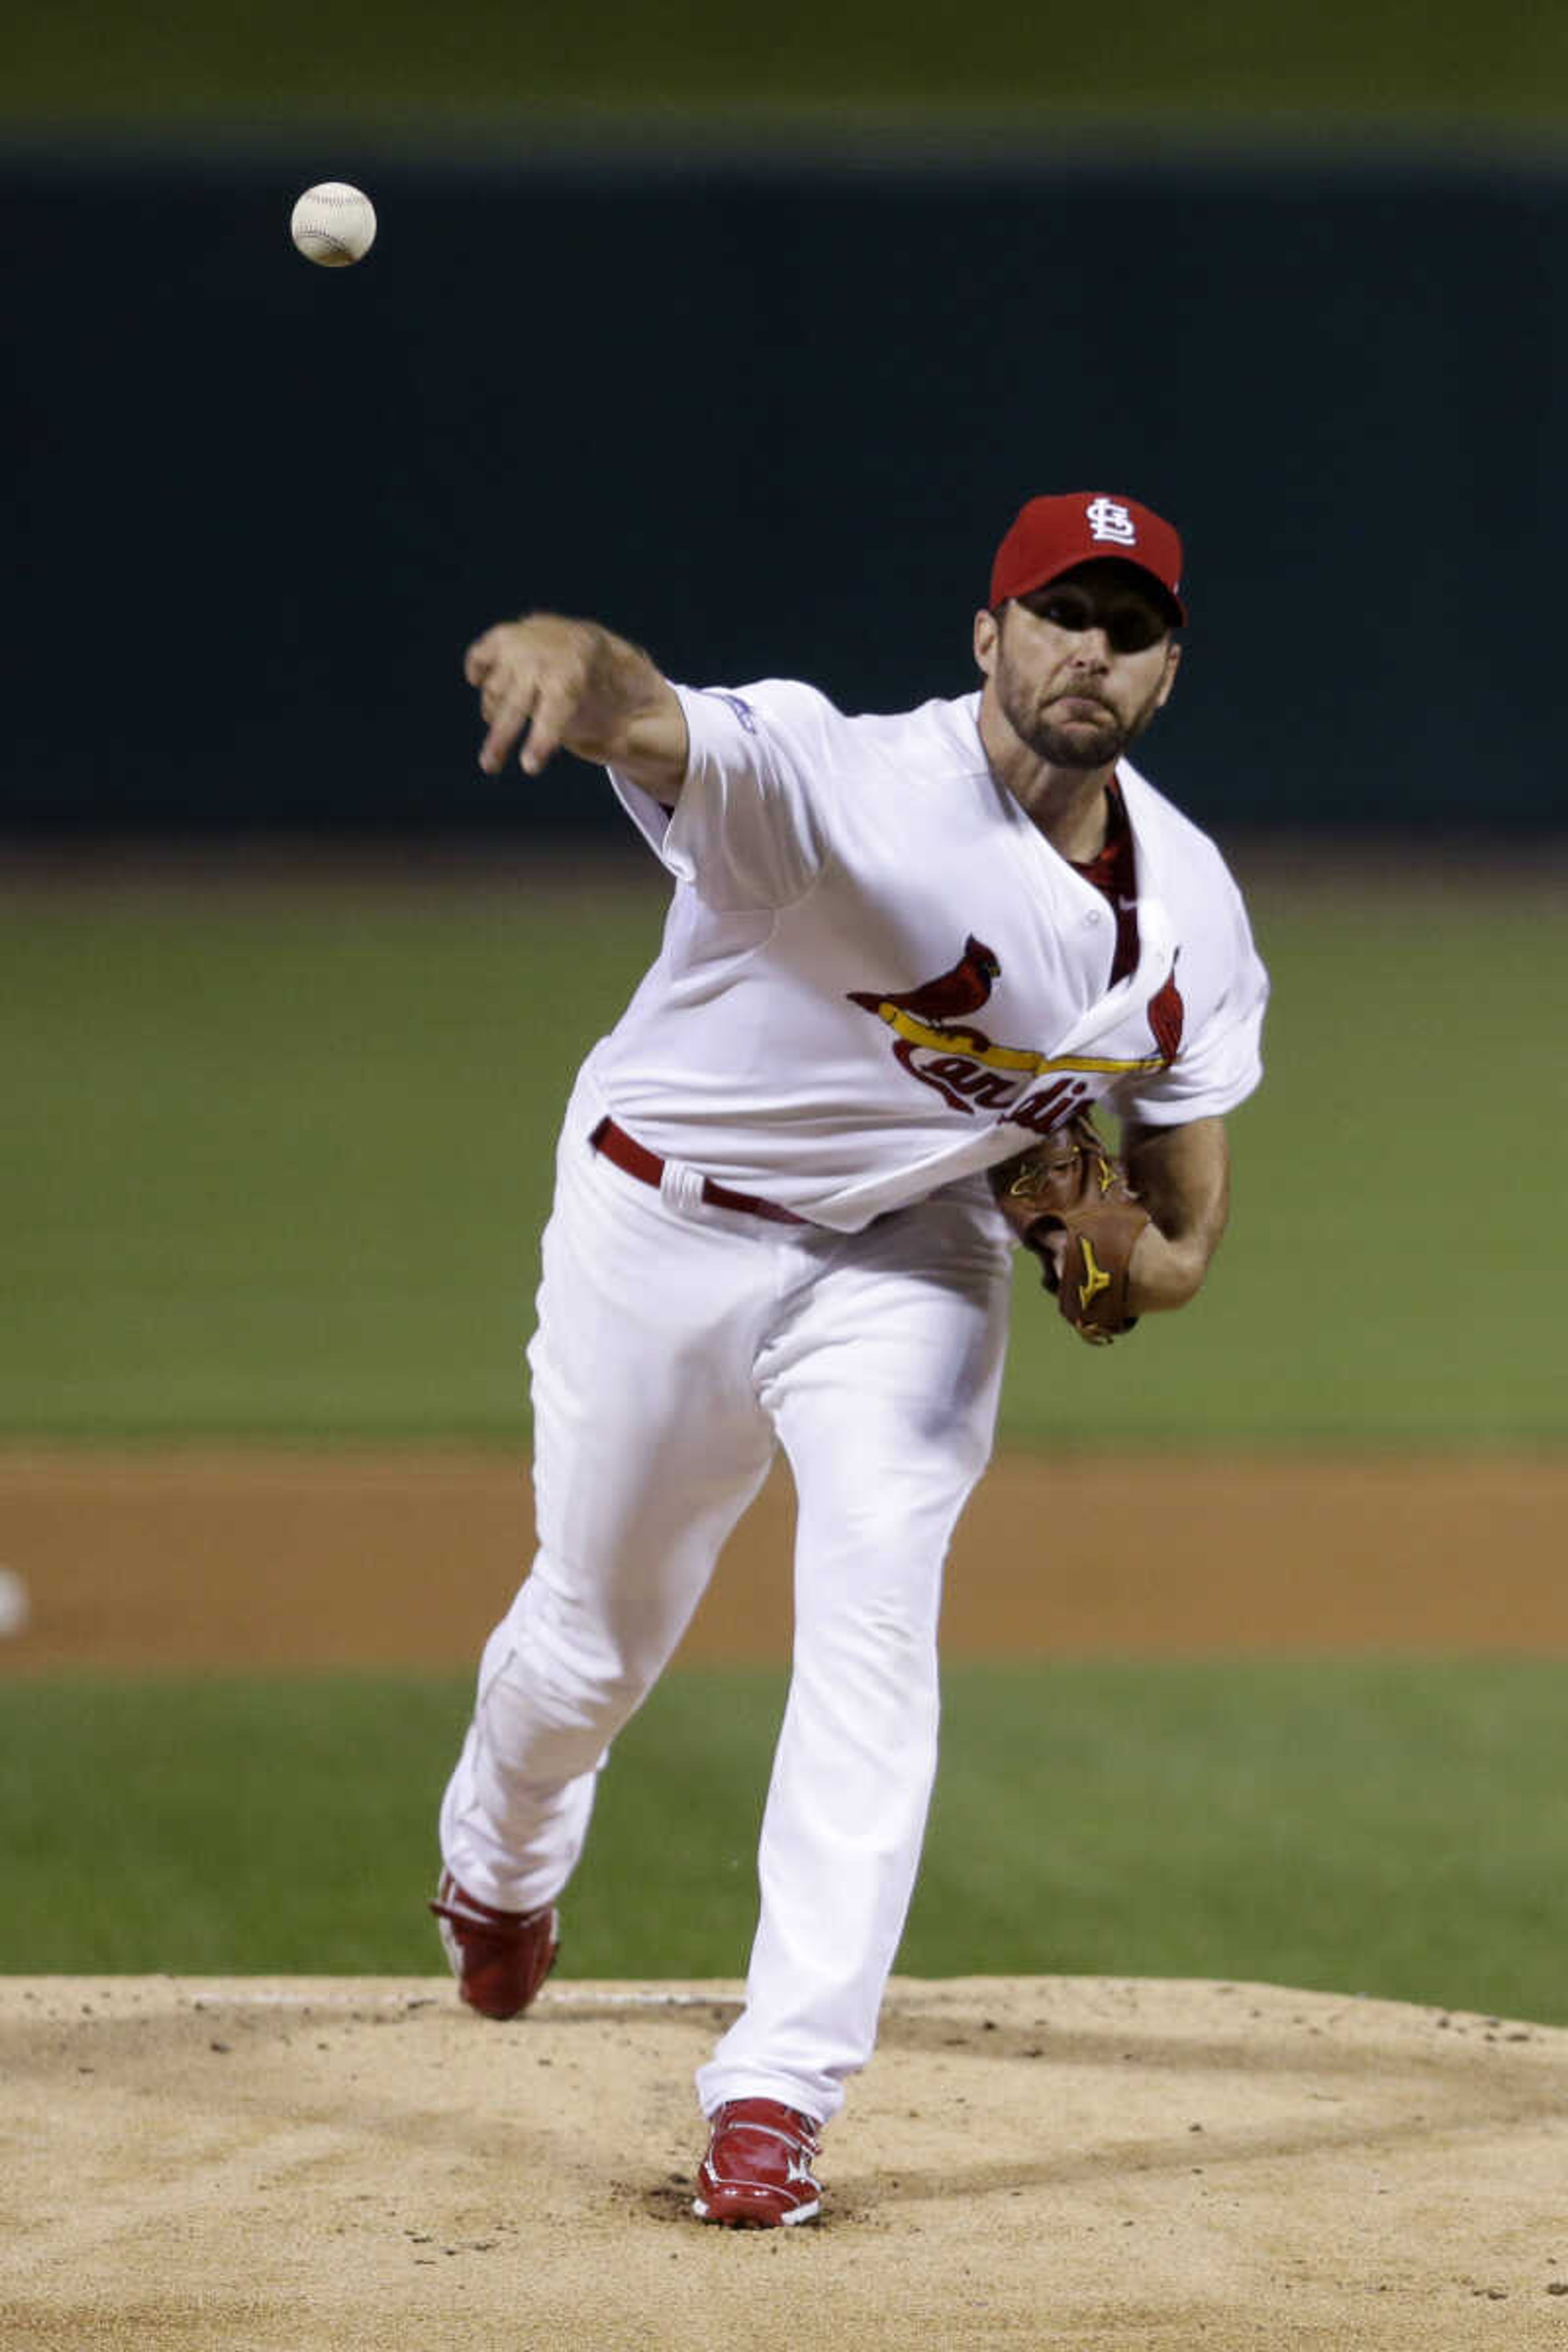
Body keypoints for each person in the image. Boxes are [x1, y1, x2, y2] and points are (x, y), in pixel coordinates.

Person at [430, 492, 1269, 2228]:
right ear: (989, 636)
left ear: (1170, 671)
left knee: (877, 1616)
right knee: (593, 1644)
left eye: (1128, 624)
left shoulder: (1191, 917)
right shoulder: (836, 783)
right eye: (1057, 612)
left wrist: (1085, 1227)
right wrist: (566, 661)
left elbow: (1174, 1248)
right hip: (664, 1220)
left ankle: (779, 2091)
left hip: (909, 1253)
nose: (1088, 649)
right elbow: (648, 714)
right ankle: (497, 1863)